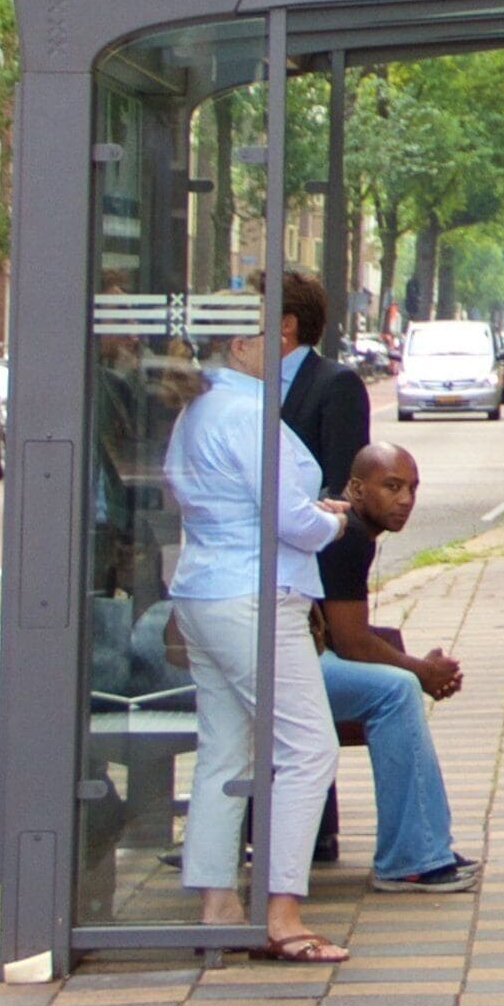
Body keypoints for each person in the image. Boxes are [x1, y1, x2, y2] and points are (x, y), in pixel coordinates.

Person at [163, 311, 356, 964]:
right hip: (255, 596)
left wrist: (300, 515)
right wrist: (334, 523)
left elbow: (198, 494)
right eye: (273, 336)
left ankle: (218, 907)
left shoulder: (201, 408)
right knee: (308, 748)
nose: (287, 345)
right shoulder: (248, 415)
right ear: (241, 346)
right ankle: (282, 915)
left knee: (225, 752)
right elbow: (286, 520)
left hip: (202, 592)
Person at [317, 443, 477, 892]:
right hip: (282, 664)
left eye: (412, 489)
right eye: (391, 486)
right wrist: (421, 672)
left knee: (397, 684)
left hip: (288, 656)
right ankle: (412, 857)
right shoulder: (346, 536)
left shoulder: (349, 533)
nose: (405, 499)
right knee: (396, 690)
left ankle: (425, 848)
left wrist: (416, 668)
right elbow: (351, 642)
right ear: (356, 488)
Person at [275, 273, 370, 493]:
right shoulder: (248, 382)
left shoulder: (338, 386)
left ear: (286, 324)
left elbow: (344, 482)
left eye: (255, 316)